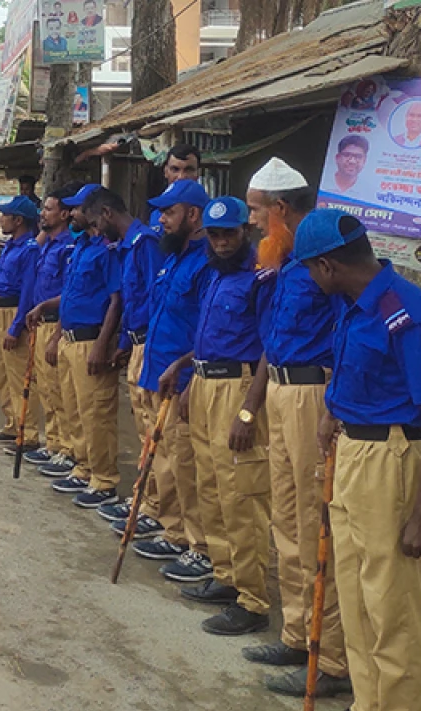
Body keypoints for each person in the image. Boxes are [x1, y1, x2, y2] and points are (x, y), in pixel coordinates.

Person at [296, 208, 421, 711]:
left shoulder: (404, 312)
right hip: (354, 455)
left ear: (326, 267)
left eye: (307, 270)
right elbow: (354, 376)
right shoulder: (353, 304)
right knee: (359, 597)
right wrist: (331, 413)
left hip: (391, 460)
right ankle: (369, 706)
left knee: (392, 608)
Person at [241, 157, 352, 699]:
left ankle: (328, 655)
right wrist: (254, 398)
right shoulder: (283, 264)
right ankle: (295, 633)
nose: (253, 221)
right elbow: (271, 338)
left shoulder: (321, 261)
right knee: (284, 516)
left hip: (312, 394)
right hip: (282, 392)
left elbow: (344, 332)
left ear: (281, 208)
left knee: (313, 522)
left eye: (258, 210)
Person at [157, 196, 274, 636]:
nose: (223, 242)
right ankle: (226, 576)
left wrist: (249, 409)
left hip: (237, 388)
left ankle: (254, 599)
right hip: (204, 383)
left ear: (247, 232)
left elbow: (268, 347)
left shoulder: (259, 279)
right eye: (216, 234)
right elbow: (208, 339)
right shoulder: (213, 276)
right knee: (210, 485)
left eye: (231, 233)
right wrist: (185, 370)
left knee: (240, 492)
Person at [101, 142, 200, 539]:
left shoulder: (200, 256)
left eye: (187, 169)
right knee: (152, 440)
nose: (162, 218)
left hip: (180, 367)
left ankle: (175, 527)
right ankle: (154, 505)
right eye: (173, 169)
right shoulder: (169, 251)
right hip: (151, 354)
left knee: (178, 453)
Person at [131, 179, 213, 583]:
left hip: (181, 380)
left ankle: (198, 544)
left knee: (185, 464)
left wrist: (184, 373)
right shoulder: (172, 257)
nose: (162, 220)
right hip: (155, 371)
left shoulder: (206, 263)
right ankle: (173, 529)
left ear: (193, 215)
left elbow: (205, 331)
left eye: (169, 212)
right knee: (162, 457)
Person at [31, 185, 123, 511]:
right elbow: (70, 297)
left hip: (89, 340)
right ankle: (83, 468)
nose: (71, 214)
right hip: (70, 336)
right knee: (75, 409)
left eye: (76, 208)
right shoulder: (80, 247)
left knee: (96, 413)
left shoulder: (106, 251)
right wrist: (56, 333)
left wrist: (102, 344)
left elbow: (116, 300)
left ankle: (104, 479)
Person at [13, 183, 82, 470]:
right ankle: (53, 442)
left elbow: (69, 292)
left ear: (65, 214)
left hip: (55, 323)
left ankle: (68, 449)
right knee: (48, 390)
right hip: (39, 323)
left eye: (49, 209)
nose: (43, 213)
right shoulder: (47, 245)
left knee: (61, 391)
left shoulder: (68, 247)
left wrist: (55, 331)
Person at [0, 196, 41, 446]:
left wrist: (17, 326)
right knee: (1, 371)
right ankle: (11, 422)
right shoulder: (10, 245)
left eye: (5, 215)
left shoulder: (29, 249)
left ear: (18, 221)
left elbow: (28, 290)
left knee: (18, 373)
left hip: (12, 311)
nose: (1, 219)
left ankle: (26, 431)